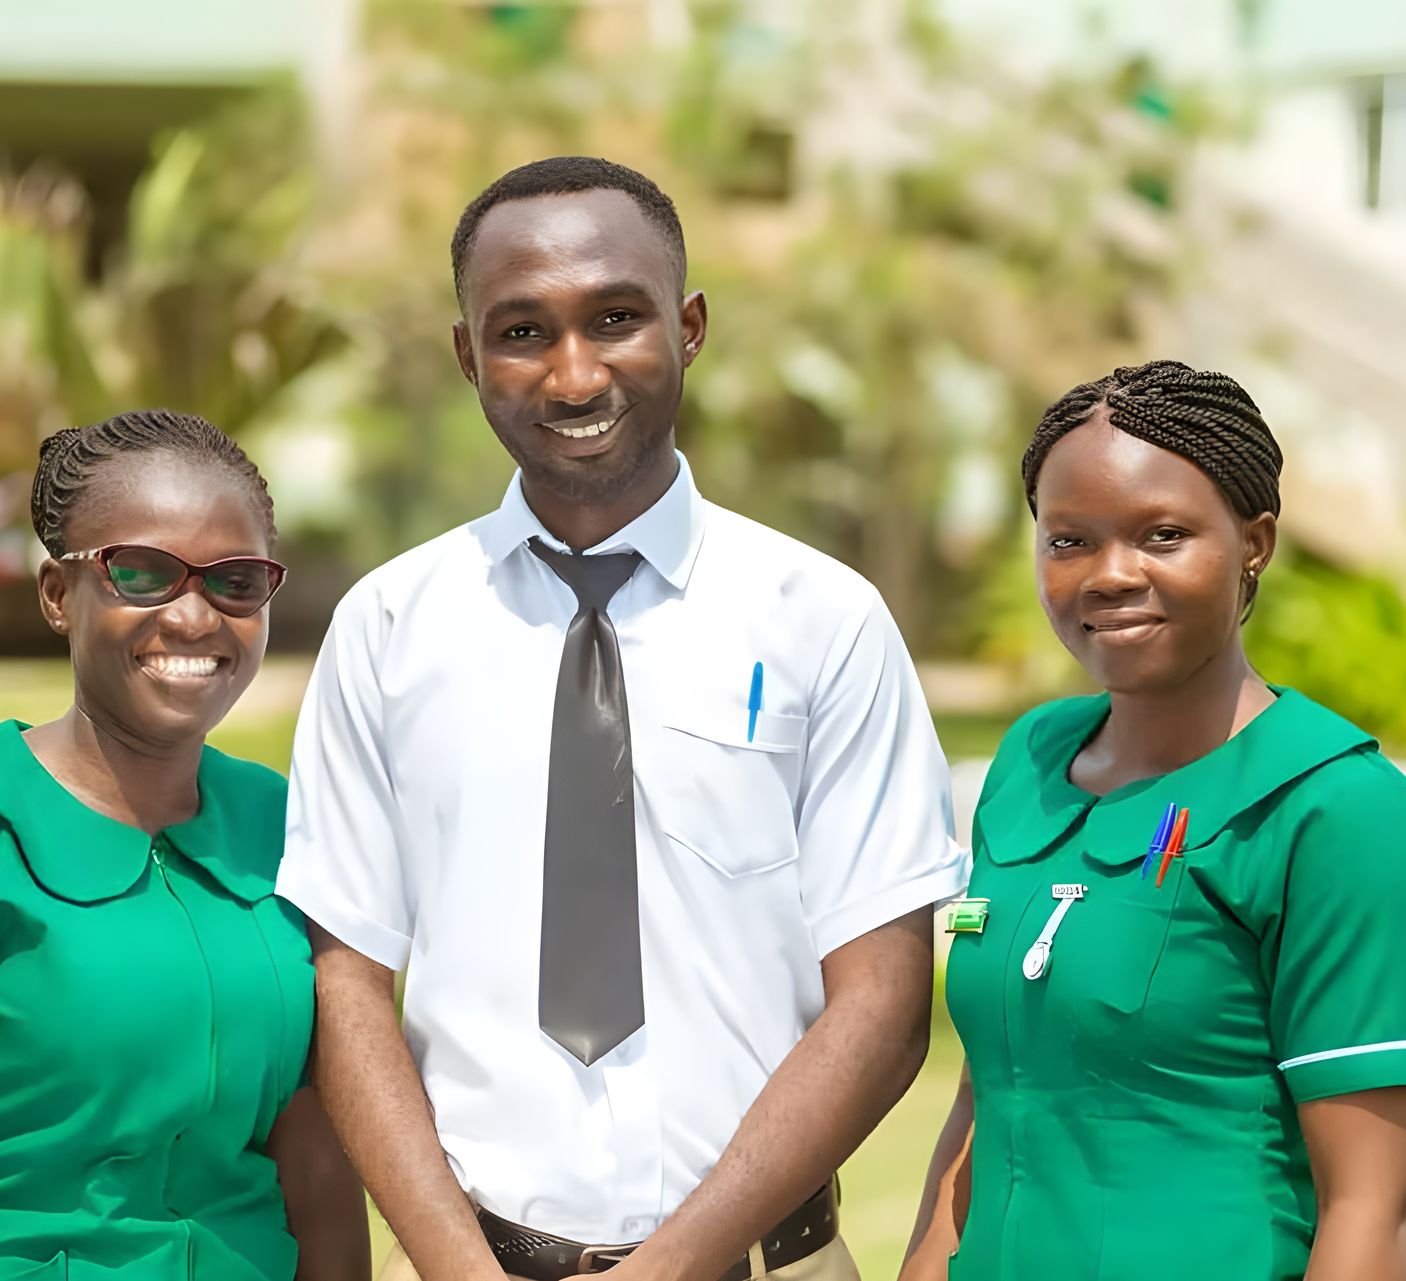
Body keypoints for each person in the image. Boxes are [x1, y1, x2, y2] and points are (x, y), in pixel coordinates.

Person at [277, 155, 967, 1281]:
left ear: (689, 327)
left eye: (616, 318)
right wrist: (456, 1266)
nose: (574, 373)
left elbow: (885, 1004)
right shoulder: (388, 628)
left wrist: (672, 1266)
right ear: (467, 354)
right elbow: (347, 980)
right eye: (522, 332)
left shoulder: (822, 620)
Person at [0, 410, 367, 1281]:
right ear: (60, 595)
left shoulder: (282, 823)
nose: (193, 615)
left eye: (236, 581)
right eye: (141, 573)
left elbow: (318, 1171)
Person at [901, 361, 1406, 1280]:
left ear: (1254, 543)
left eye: (1163, 535)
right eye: (1069, 540)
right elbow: (989, 1092)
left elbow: (1374, 1207)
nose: (1111, 575)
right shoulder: (1028, 766)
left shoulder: (1335, 808)